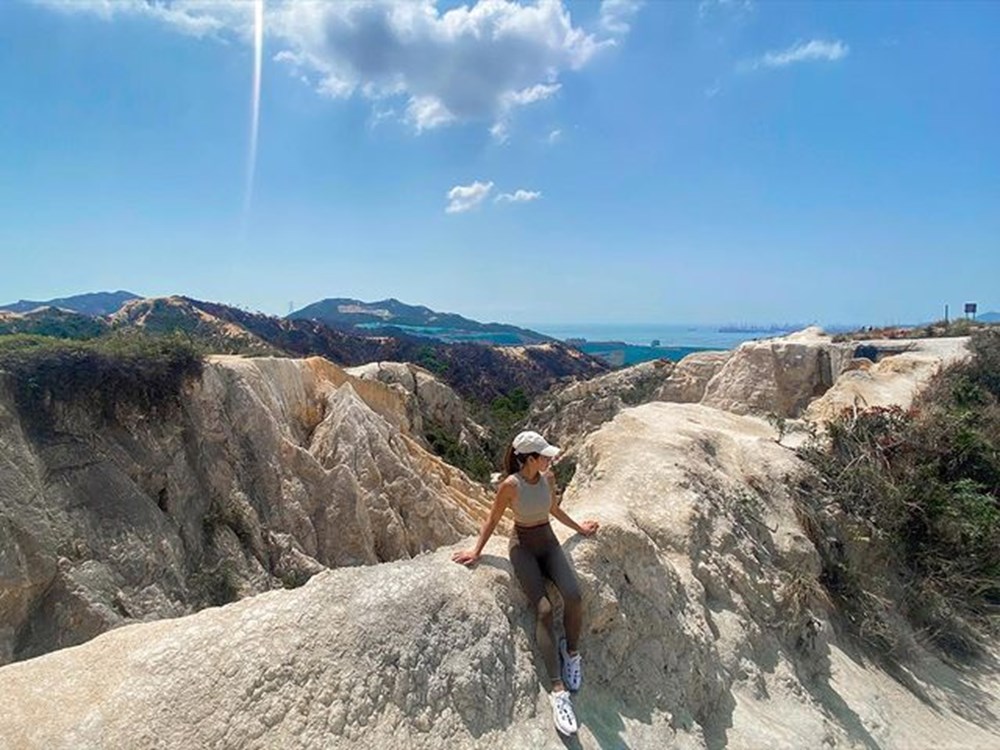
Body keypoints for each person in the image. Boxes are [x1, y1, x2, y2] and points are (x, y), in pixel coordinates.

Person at [452, 430, 600, 737]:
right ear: (530, 459)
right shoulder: (510, 486)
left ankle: (571, 653)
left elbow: (554, 509)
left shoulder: (548, 478)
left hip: (548, 541)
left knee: (573, 596)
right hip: (523, 547)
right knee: (544, 610)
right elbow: (493, 519)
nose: (550, 459)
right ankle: (558, 690)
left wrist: (579, 528)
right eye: (544, 455)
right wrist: (476, 552)